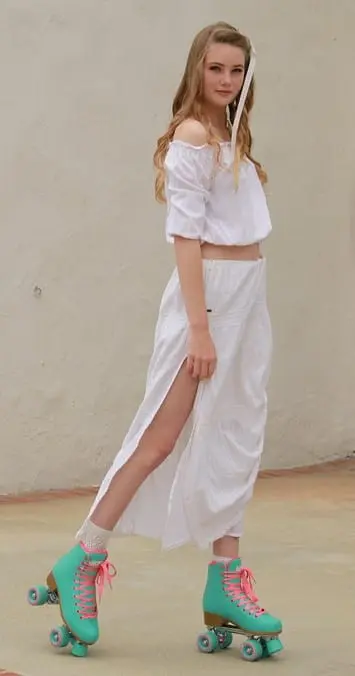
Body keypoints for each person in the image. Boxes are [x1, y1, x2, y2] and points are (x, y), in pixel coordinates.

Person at [31, 21, 283, 659]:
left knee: (236, 433)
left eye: (235, 70)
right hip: (211, 299)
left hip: (249, 294)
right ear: (197, 69)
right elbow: (186, 240)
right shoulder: (193, 137)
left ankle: (227, 578)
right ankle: (81, 560)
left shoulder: (232, 135)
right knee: (159, 437)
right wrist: (200, 327)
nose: (225, 81)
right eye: (215, 68)